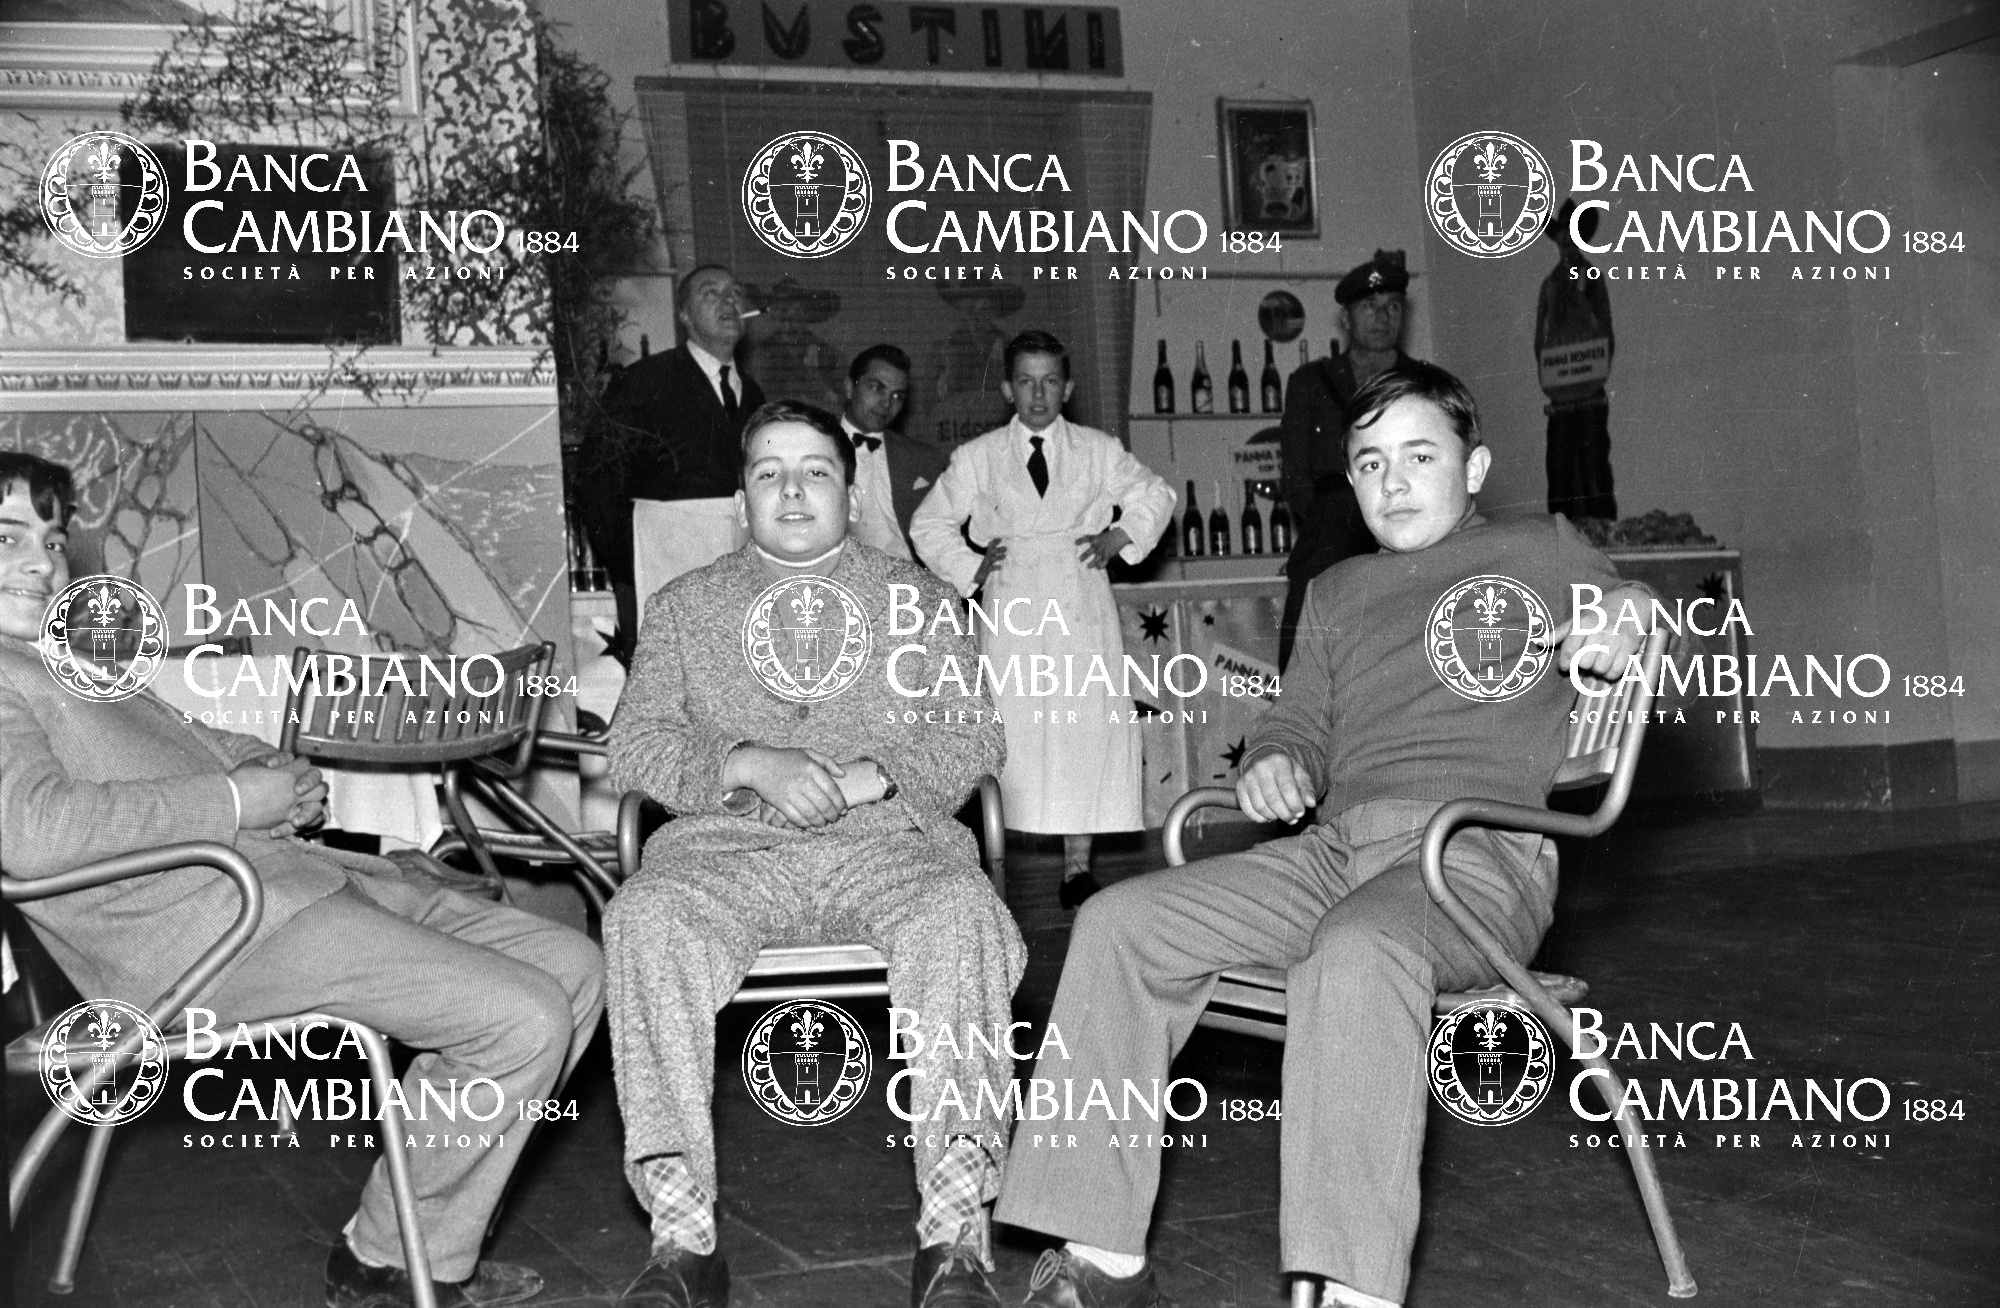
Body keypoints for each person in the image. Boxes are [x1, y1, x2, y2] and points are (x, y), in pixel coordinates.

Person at [993, 364, 1654, 1308]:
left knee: (1356, 952)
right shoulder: (1338, 590)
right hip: (1334, 854)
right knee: (1117, 924)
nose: (1394, 482)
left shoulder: (1537, 546)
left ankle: (1352, 1292)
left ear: (1474, 470)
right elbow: (1297, 723)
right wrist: (1276, 759)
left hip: (1475, 856)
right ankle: (1103, 1262)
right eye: (1371, 463)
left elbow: (1634, 603)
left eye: (1420, 456)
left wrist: (1625, 615)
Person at [0, 451, 604, 1308]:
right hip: (200, 937)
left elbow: (197, 739)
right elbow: (31, 832)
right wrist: (232, 801)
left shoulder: (68, 662)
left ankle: (408, 1248)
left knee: (577, 968)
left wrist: (271, 773)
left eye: (53, 541)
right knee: (522, 1017)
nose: (40, 562)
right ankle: (389, 1261)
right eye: (8, 538)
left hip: (280, 895)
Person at [603, 401, 1023, 1308]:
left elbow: (973, 737)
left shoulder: (918, 600)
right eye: (769, 473)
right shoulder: (684, 608)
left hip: (888, 847)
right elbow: (634, 747)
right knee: (644, 918)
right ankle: (682, 1238)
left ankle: (954, 1235)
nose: (792, 491)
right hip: (727, 853)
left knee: (962, 914)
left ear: (852, 493)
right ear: (741, 501)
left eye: (816, 471)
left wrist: (873, 776)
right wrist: (745, 761)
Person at [908, 330, 1174, 909]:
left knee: (1083, 729)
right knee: (1012, 729)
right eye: (1026, 382)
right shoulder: (979, 456)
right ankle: (992, 859)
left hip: (1080, 596)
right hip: (1014, 600)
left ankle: (1077, 868)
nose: (1037, 395)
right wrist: (972, 567)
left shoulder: (1098, 449)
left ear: (1067, 388)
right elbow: (928, 524)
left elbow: (1156, 493)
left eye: (1050, 381)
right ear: (1008, 388)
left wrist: (1121, 535)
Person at [578, 264, 767, 646]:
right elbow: (597, 481)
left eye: (735, 293)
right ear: (685, 316)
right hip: (660, 563)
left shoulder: (754, 394)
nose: (729, 302)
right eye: (711, 293)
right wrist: (632, 562)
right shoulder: (644, 381)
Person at [1275, 249, 1416, 671]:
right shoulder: (1310, 382)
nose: (1383, 317)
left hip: (1406, 523)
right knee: (1309, 649)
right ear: (1347, 318)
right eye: (1370, 306)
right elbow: (1296, 474)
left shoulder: (1423, 383)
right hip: (1331, 531)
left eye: (1393, 306)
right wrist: (1333, 521)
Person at [1536, 198, 1619, 521]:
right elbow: (1541, 344)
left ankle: (1603, 534)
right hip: (1560, 400)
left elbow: (1604, 338)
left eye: (1573, 240)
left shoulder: (1592, 279)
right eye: (1564, 241)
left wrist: (1582, 300)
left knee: (1595, 474)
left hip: (1589, 397)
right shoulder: (1549, 285)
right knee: (1559, 477)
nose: (1568, 247)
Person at [838, 343, 951, 560]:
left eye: (897, 396)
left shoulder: (924, 458)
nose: (887, 403)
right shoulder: (814, 449)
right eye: (876, 388)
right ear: (850, 388)